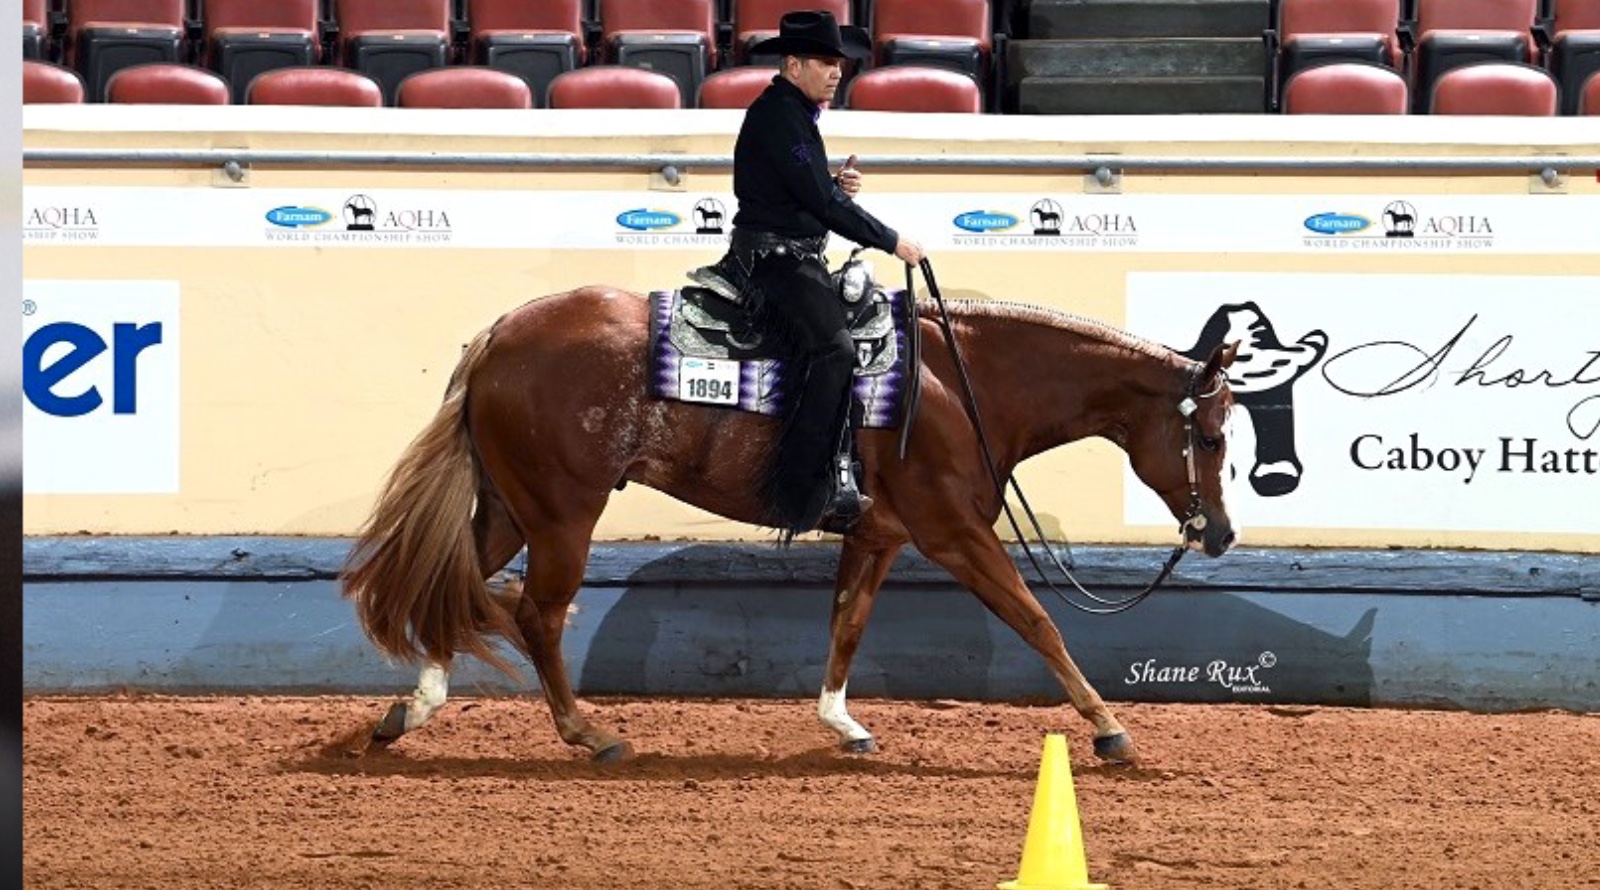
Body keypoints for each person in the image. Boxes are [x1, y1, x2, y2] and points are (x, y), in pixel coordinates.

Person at [691, 9, 925, 536]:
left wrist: (833, 185)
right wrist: (891, 240)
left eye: (839, 62)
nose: (837, 71)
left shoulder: (791, 113)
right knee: (834, 349)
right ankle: (801, 492)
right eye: (825, 61)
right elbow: (816, 202)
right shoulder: (781, 116)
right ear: (794, 65)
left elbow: (798, 191)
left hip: (790, 252)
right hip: (771, 262)